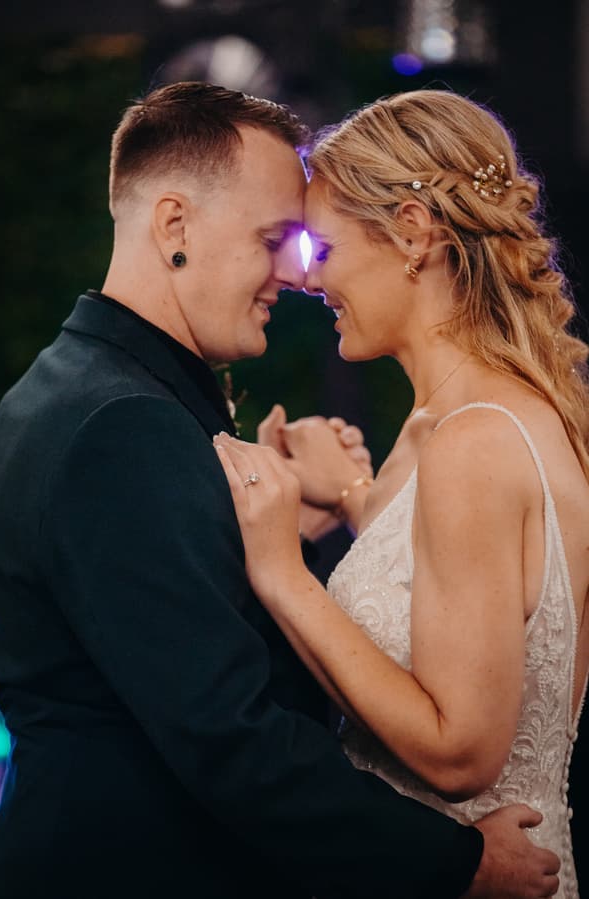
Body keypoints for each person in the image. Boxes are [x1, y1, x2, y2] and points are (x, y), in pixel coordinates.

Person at [0, 82, 559, 899]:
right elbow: (228, 736)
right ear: (175, 225)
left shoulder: (80, 388)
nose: (291, 277)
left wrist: (297, 529)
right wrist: (460, 863)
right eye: (273, 239)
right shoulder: (119, 425)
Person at [214, 88, 589, 898]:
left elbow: (462, 752)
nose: (307, 277)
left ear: (414, 234)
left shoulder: (475, 443)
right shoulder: (458, 424)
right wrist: (343, 497)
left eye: (323, 245)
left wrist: (282, 572)